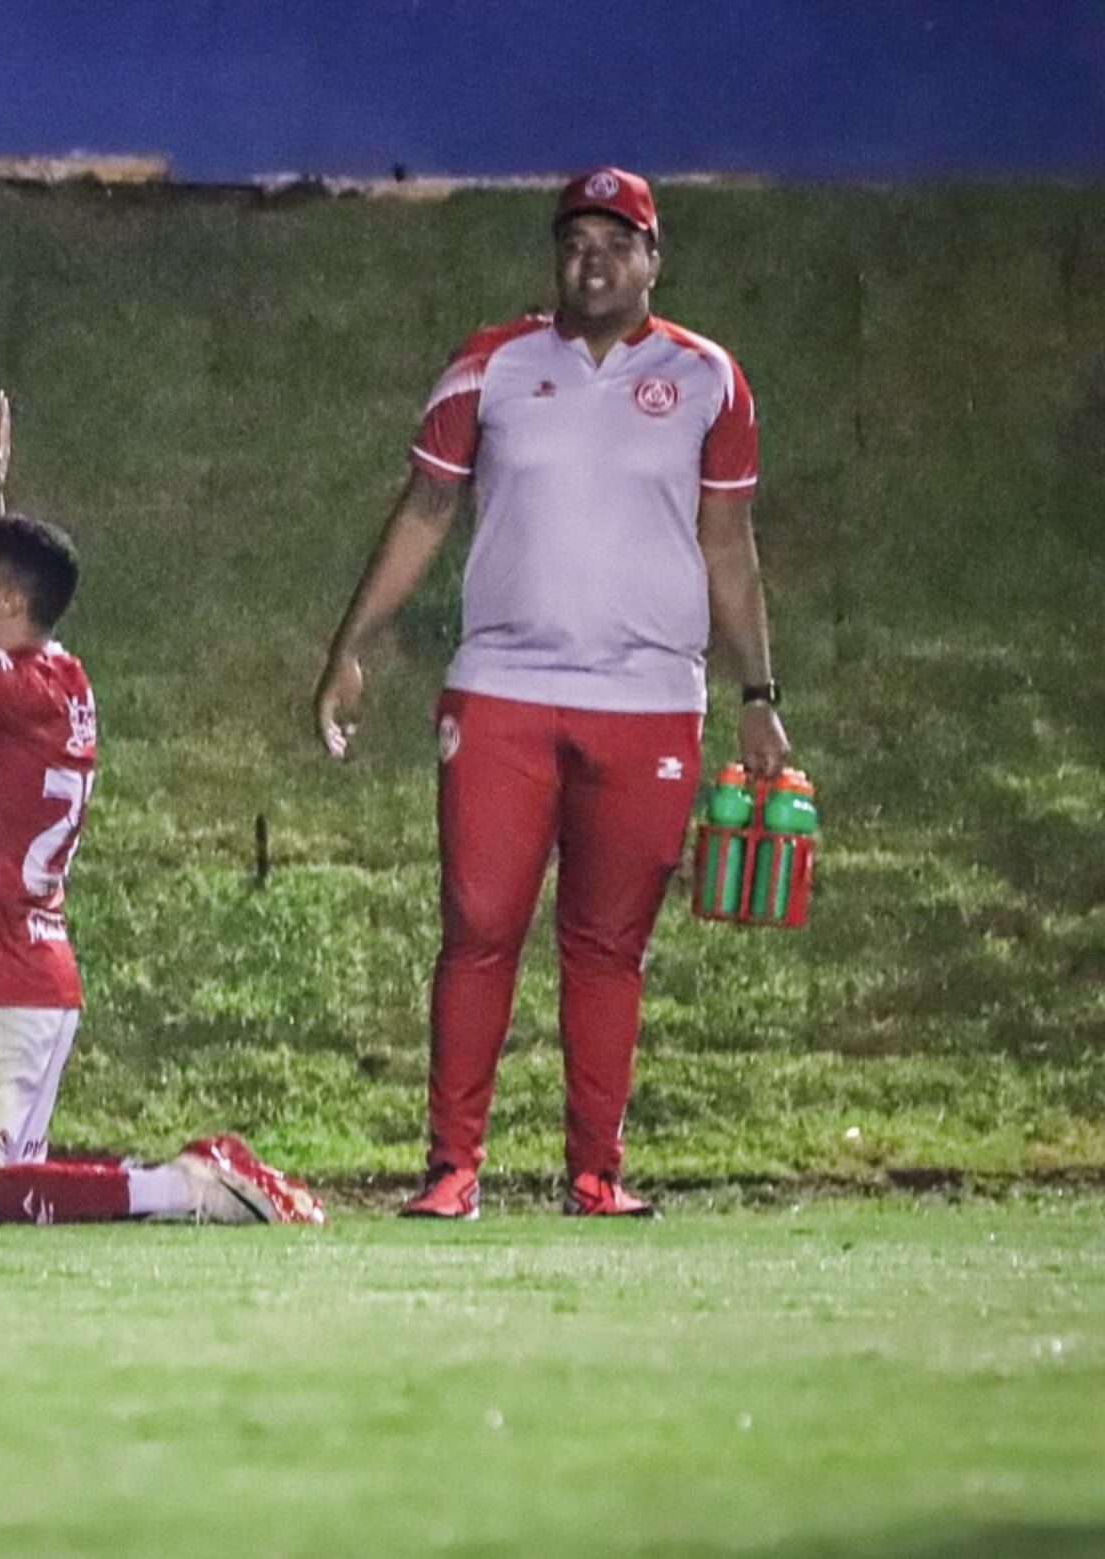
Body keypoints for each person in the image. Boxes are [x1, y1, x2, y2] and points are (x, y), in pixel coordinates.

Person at [312, 167, 791, 1220]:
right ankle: (451, 1166)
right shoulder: (490, 363)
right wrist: (354, 643)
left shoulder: (709, 379)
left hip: (651, 696)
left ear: (652, 258)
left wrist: (757, 688)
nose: (595, 258)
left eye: (617, 241)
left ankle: (594, 1172)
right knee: (479, 921)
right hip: (503, 688)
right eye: (576, 239)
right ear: (555, 256)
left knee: (607, 939)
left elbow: (728, 543)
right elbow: (425, 511)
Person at [0, 379, 322, 1227]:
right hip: (29, 975)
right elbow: (6, 605)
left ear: (8, 604)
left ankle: (186, 1186)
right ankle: (183, 1187)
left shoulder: (13, 688)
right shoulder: (58, 676)